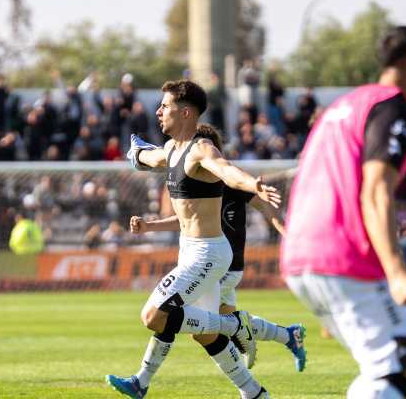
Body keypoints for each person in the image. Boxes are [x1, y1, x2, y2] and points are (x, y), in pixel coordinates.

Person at [282, 25, 406, 399]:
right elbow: (375, 191)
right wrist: (397, 272)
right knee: (396, 372)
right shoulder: (395, 108)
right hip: (344, 258)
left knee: (387, 371)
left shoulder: (343, 106)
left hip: (301, 258)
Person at [107, 80, 282, 399]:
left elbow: (227, 171)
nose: (159, 111)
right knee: (203, 334)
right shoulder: (173, 149)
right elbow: (153, 159)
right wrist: (138, 152)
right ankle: (254, 393)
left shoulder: (202, 149)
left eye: (165, 106)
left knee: (154, 315)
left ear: (185, 112)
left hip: (208, 254)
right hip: (190, 251)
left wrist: (251, 185)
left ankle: (235, 325)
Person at [129, 123, 307, 372]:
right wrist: (150, 227)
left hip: (222, 263)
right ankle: (287, 337)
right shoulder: (196, 180)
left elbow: (268, 207)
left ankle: (142, 379)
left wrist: (291, 238)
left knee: (175, 316)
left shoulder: (229, 179)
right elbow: (185, 220)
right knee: (210, 323)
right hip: (214, 261)